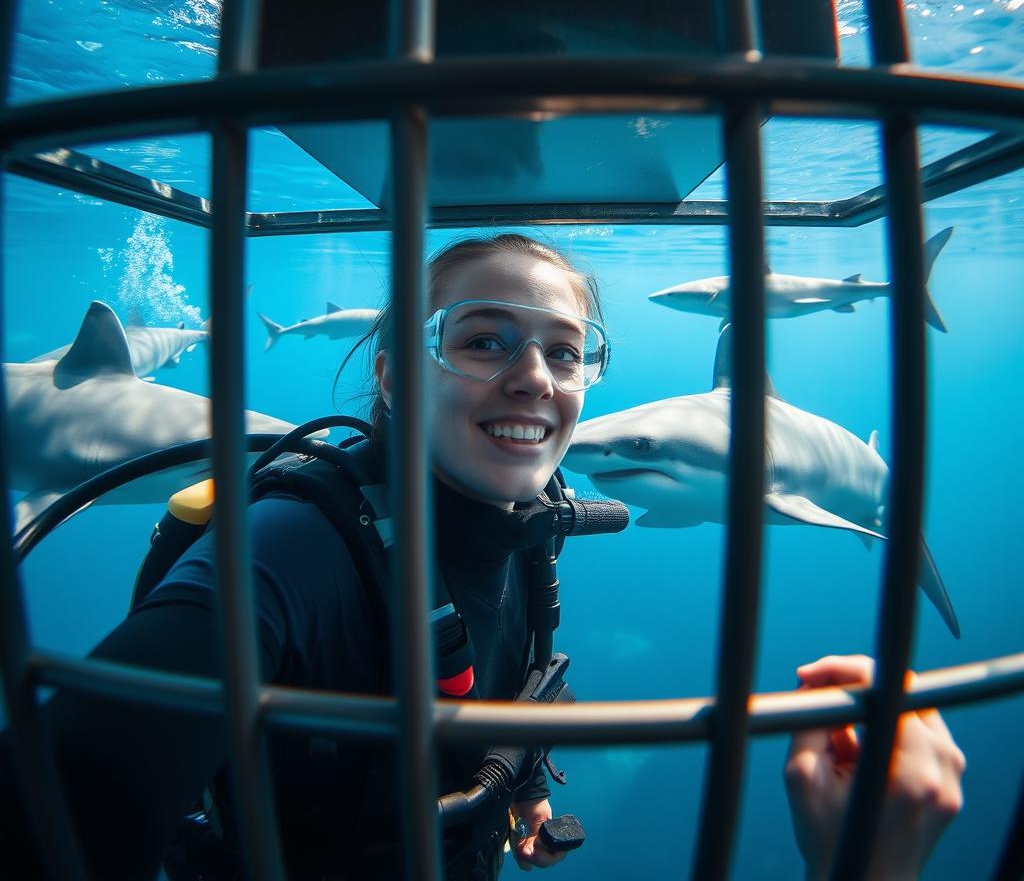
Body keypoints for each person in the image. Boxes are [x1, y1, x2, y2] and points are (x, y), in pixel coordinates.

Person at [0, 233, 963, 879]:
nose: (535, 381)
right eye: (484, 339)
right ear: (392, 371)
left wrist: (521, 791)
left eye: (566, 350)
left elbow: (509, 672)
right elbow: (65, 799)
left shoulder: (525, 520)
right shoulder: (285, 554)